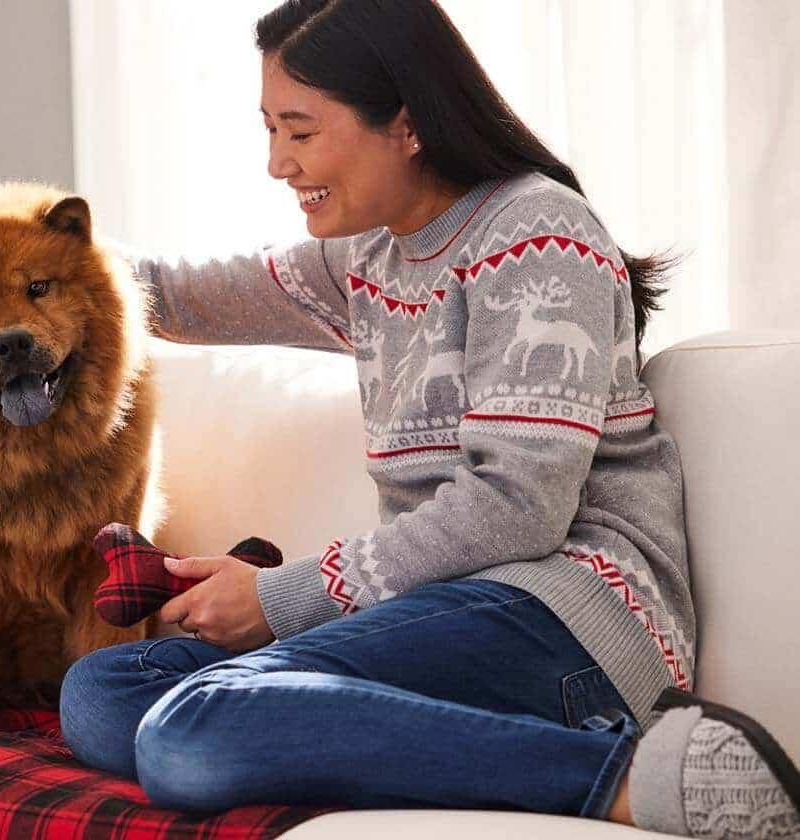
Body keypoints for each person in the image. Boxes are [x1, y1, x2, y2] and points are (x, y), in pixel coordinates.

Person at [59, 1, 800, 838]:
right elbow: (173, 295)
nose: (276, 163)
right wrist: (5, 245)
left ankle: (629, 774)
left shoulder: (537, 231)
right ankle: (385, 740)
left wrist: (282, 597)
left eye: (300, 132)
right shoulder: (366, 257)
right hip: (438, 615)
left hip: (571, 616)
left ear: (404, 124)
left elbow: (516, 508)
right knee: (101, 694)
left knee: (188, 734)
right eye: (269, 129)